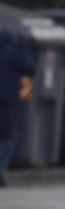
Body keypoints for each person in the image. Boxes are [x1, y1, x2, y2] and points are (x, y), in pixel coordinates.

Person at [0, 29, 37, 187]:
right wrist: (22, 47)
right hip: (3, 99)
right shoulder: (11, 51)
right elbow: (30, 67)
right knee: (8, 137)